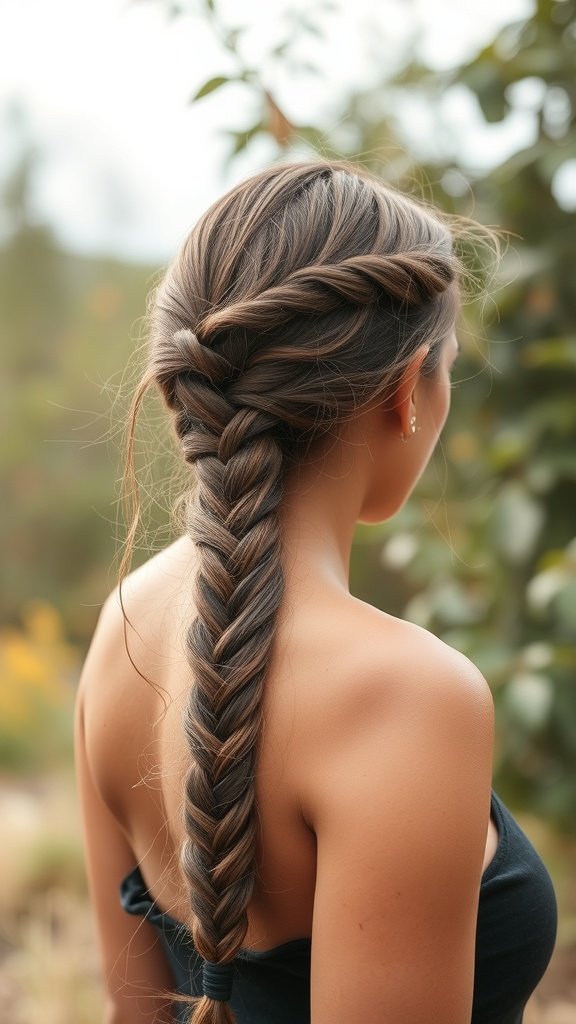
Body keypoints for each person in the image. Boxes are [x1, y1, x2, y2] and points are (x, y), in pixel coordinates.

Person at [74, 159, 557, 1024]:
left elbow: (132, 1014)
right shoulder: (409, 698)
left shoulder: (124, 628)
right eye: (447, 367)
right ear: (407, 391)